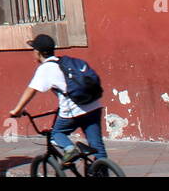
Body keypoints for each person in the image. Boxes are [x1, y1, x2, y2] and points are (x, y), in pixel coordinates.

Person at [9, 34, 107, 162]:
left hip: (74, 110)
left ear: (38, 52)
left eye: (34, 50)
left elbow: (31, 90)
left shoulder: (46, 68)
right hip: (93, 105)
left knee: (56, 134)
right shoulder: (65, 62)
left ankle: (70, 149)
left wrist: (17, 110)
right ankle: (102, 170)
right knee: (97, 146)